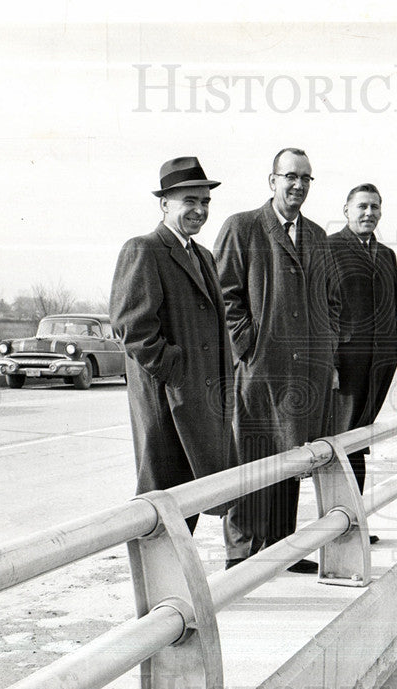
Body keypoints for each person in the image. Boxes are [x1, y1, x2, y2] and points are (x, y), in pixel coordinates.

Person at [215, 147, 340, 572]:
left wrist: (326, 349)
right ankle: (242, 553)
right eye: (290, 176)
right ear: (272, 181)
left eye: (306, 178)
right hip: (258, 368)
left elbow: (332, 301)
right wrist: (247, 346)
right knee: (252, 456)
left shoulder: (319, 236)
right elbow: (225, 294)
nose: (298, 185)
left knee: (292, 456)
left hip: (306, 373)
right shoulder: (243, 227)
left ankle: (283, 551)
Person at [109, 155, 234, 538]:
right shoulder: (144, 249)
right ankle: (158, 594)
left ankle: (177, 591)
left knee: (191, 499)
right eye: (189, 201)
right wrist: (177, 371)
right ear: (165, 203)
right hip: (167, 405)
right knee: (161, 506)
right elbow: (132, 328)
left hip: (203, 400)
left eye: (205, 202)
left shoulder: (204, 256)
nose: (199, 210)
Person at [328, 184, 397, 544]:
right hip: (344, 366)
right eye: (362, 206)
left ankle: (353, 522)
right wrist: (328, 362)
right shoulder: (329, 248)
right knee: (341, 443)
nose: (369, 213)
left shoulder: (387, 255)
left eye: (375, 207)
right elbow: (321, 310)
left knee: (359, 441)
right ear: (346, 209)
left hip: (379, 367)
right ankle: (337, 527)